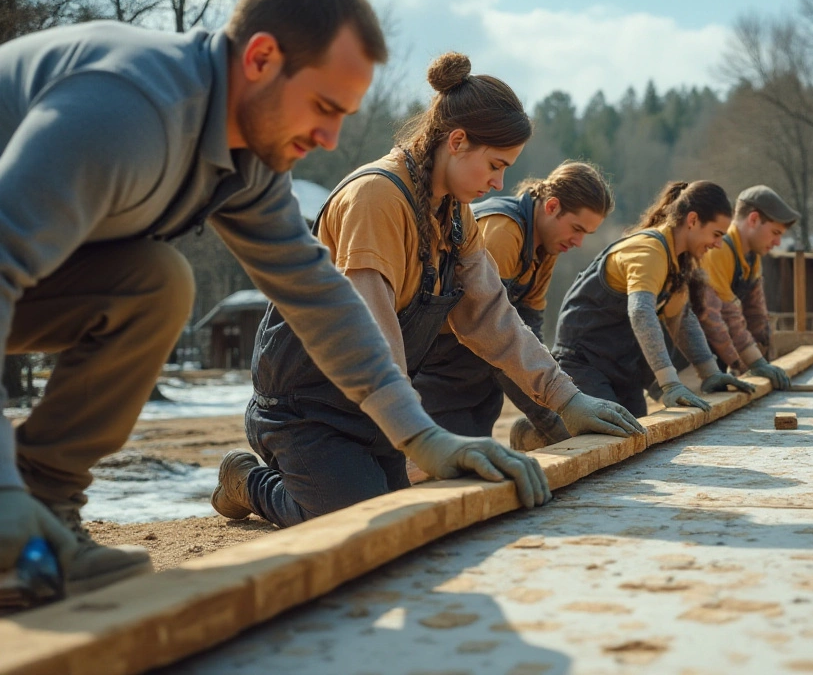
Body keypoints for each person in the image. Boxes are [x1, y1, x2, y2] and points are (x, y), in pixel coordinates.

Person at [0, 0, 548, 602]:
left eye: (343, 115)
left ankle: (46, 507)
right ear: (260, 58)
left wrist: (421, 437)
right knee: (159, 284)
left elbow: (320, 298)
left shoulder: (246, 158)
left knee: (154, 288)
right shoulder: (125, 110)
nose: (329, 138)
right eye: (322, 106)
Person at [211, 55, 643, 528]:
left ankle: (318, 475)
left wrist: (566, 399)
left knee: (410, 519)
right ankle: (249, 480)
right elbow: (367, 333)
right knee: (360, 527)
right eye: (495, 165)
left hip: (367, 408)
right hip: (305, 404)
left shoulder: (457, 216)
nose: (500, 183)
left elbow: (493, 317)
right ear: (457, 142)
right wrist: (421, 437)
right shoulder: (375, 198)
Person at [413, 161, 614, 451]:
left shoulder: (547, 246)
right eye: (577, 229)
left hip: (480, 373)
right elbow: (492, 332)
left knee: (478, 457)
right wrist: (554, 420)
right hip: (441, 367)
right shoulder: (504, 231)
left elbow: (529, 330)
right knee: (447, 470)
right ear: (552, 207)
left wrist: (555, 401)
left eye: (586, 234)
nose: (579, 242)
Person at [546, 181, 756, 421]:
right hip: (582, 361)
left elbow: (683, 320)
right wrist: (669, 384)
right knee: (606, 430)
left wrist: (710, 372)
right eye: (716, 234)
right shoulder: (649, 250)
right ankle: (545, 428)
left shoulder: (677, 261)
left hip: (622, 364)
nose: (718, 244)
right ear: (693, 220)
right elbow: (641, 312)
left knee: (635, 435)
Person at [692, 185, 800, 390]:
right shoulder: (719, 249)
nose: (778, 242)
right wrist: (750, 364)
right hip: (690, 361)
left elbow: (756, 314)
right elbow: (719, 317)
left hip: (717, 356)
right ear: (753, 220)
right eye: (775, 232)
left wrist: (764, 360)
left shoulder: (752, 258)